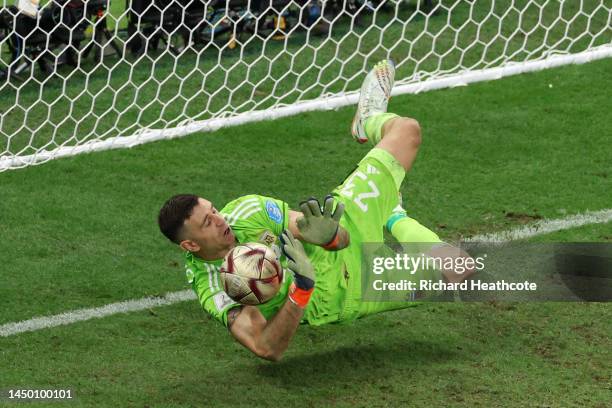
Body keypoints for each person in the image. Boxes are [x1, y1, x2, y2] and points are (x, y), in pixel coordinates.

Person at [158, 60, 474, 361]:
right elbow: (266, 348)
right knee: (460, 267)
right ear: (190, 244)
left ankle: (368, 121)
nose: (220, 220)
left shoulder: (247, 210)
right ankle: (396, 216)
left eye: (214, 211)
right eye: (207, 222)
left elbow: (338, 238)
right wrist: (302, 289)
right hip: (341, 294)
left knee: (407, 131)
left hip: (334, 239)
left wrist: (329, 235)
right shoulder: (215, 287)